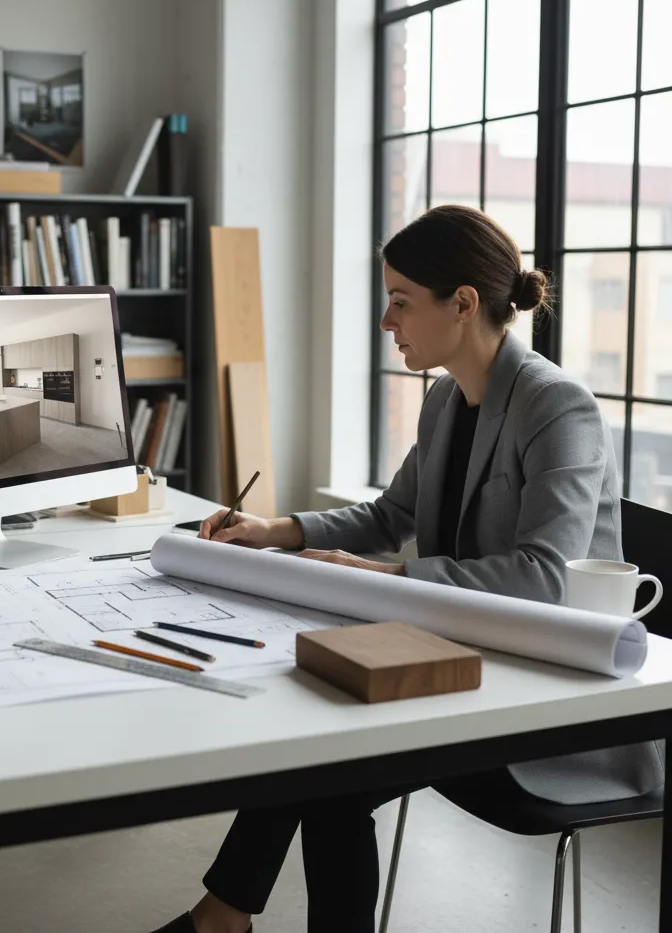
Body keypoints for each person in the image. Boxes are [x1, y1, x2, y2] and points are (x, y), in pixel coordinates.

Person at [150, 205, 663, 933]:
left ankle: (220, 918)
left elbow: (546, 577)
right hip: (465, 664)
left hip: (553, 706)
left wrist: (382, 580)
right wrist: (273, 531)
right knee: (319, 748)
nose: (386, 321)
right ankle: (222, 917)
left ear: (463, 304)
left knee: (332, 775)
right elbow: (391, 515)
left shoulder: (558, 408)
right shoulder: (447, 399)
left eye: (399, 301)